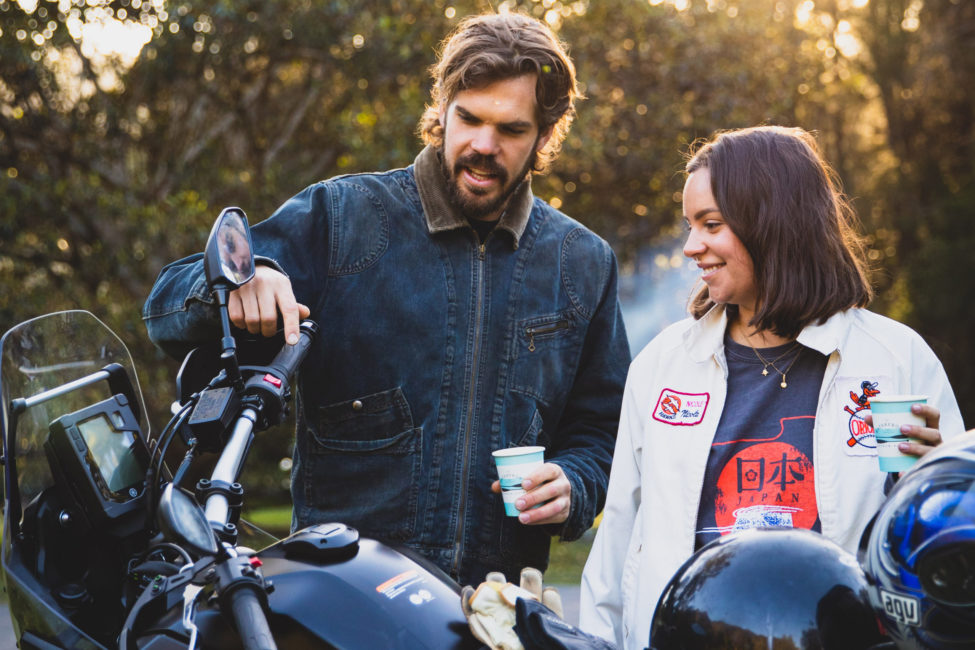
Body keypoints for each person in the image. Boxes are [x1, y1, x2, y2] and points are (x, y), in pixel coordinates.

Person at [142, 11, 630, 585]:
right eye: (468, 118)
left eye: (511, 130)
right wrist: (244, 281)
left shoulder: (584, 262)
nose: (482, 145)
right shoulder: (343, 218)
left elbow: (603, 432)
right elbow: (165, 307)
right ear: (442, 109)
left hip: (495, 612)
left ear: (545, 135)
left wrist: (574, 481)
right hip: (342, 609)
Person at [578, 125, 964, 649]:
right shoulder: (662, 365)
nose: (692, 247)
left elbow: (949, 557)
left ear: (773, 224)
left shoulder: (898, 360)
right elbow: (618, 544)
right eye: (689, 225)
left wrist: (937, 484)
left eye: (710, 224)